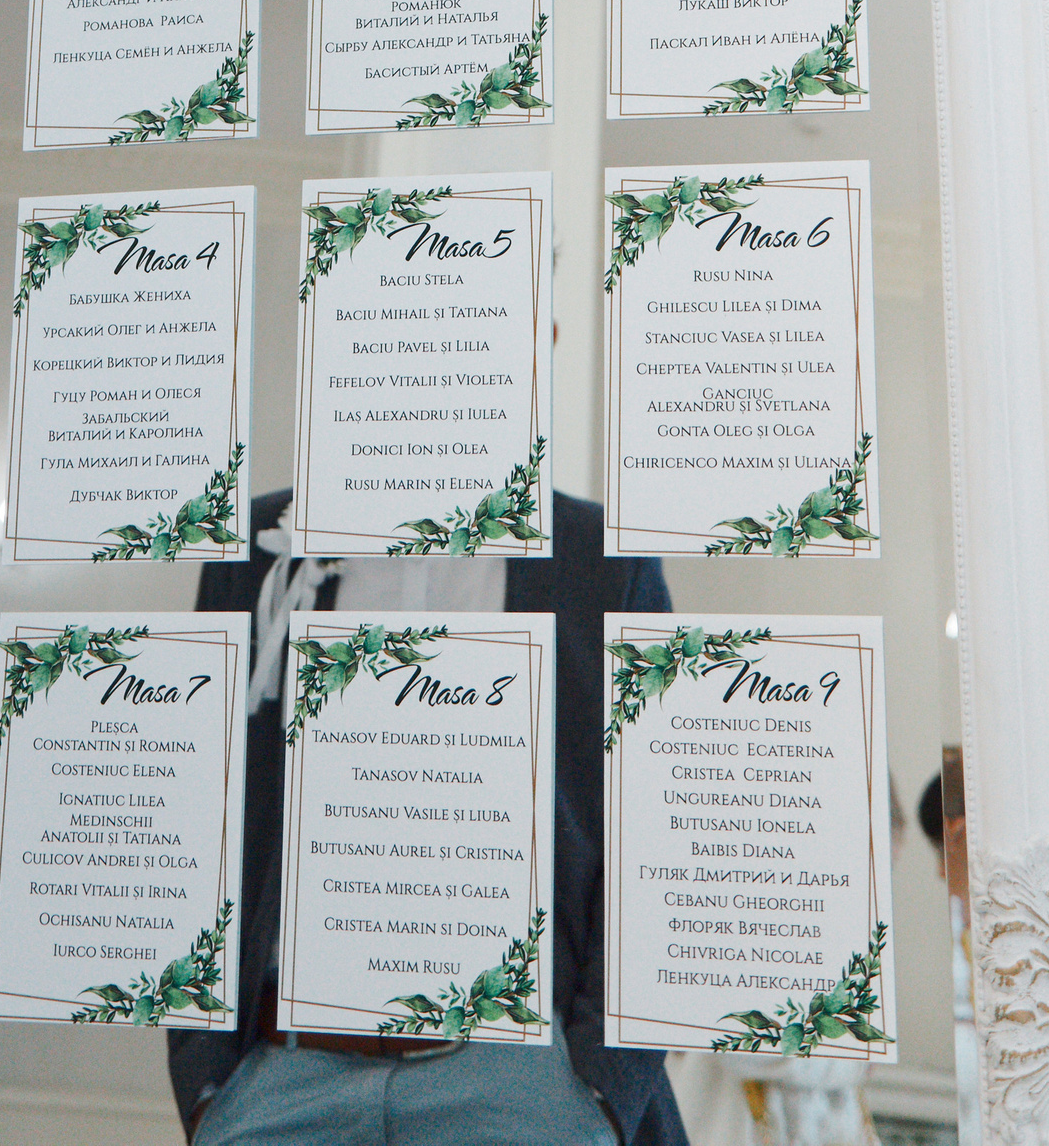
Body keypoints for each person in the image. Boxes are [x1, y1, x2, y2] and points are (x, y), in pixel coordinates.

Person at [165, 483, 685, 1146]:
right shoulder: (258, 536)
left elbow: (655, 827)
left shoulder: (597, 550)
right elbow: (201, 801)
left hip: (525, 1082)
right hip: (279, 1079)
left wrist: (603, 1091)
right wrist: (206, 1080)